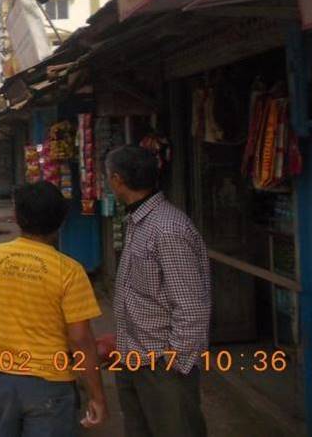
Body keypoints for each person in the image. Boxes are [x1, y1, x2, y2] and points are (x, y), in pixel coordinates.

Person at [0, 181, 107, 436]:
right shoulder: (69, 271)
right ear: (61, 222)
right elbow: (81, 339)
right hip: (52, 385)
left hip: (2, 378)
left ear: (16, 217)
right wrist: (96, 395)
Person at [106, 146, 210, 437]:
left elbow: (191, 307)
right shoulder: (140, 222)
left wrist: (172, 362)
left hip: (161, 365)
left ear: (116, 180)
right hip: (133, 357)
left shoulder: (167, 229)